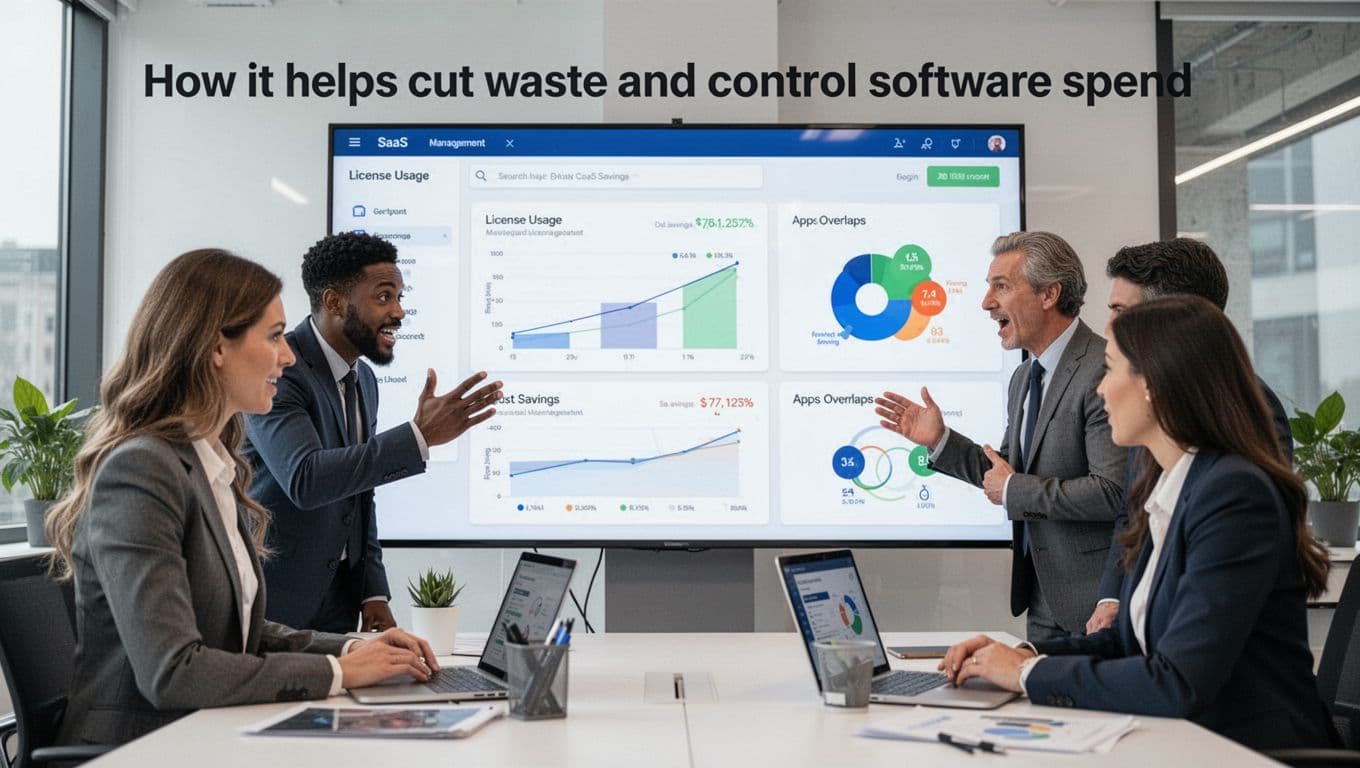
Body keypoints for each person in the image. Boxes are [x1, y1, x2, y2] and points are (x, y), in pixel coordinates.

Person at [45, 250, 439, 747]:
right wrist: (338, 673)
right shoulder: (141, 469)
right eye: (274, 336)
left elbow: (243, 635)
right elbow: (175, 671)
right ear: (216, 348)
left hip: (207, 733)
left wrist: (357, 647)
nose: (290, 355)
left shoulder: (211, 464)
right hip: (140, 747)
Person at [939, 295, 1336, 751]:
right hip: (1182, 743)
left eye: (1110, 369)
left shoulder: (1232, 495)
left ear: (1156, 384)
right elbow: (1129, 644)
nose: (1101, 388)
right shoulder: (1168, 485)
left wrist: (1026, 674)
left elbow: (1178, 680)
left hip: (1247, 752)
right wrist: (1019, 656)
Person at [244, 233, 502, 633]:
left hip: (340, 603)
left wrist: (372, 591)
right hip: (274, 603)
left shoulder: (363, 379)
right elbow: (306, 478)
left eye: (400, 297)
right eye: (384, 297)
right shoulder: (283, 371)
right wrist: (419, 437)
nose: (398, 311)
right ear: (334, 302)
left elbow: (359, 494)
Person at [876, 231, 1125, 641]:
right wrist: (940, 440)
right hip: (1041, 596)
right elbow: (1004, 473)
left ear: (1049, 294)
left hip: (1094, 603)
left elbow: (1112, 492)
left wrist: (1017, 491)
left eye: (1001, 287)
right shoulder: (1025, 376)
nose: (987, 303)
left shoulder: (1101, 368)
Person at [1084, 238, 1293, 634]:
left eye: (1122, 313)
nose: (1109, 328)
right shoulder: (1156, 417)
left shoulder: (1249, 415)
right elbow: (1134, 513)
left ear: (1174, 323)